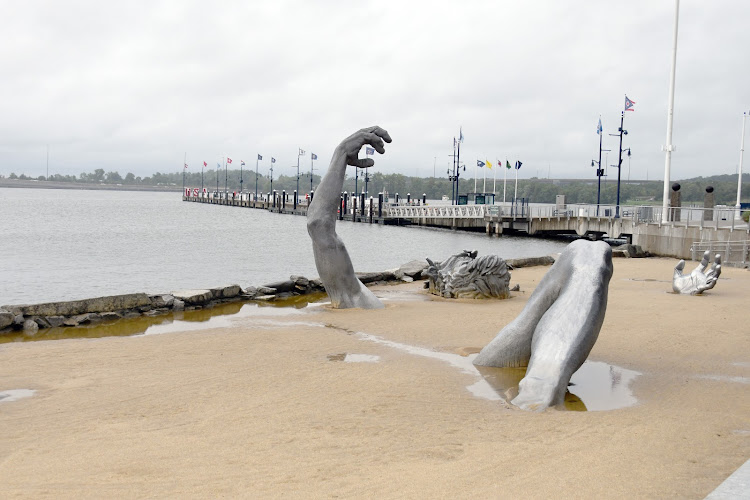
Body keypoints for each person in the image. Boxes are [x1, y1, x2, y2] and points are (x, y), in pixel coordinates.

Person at [307, 126, 392, 309]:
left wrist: (342, 153)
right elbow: (318, 226)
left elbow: (317, 224)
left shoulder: (356, 299)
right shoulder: (359, 297)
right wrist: (341, 154)